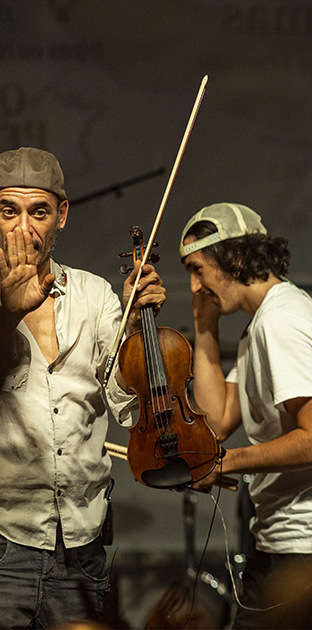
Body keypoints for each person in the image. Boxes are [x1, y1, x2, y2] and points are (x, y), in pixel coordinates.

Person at [178, 202, 312, 629]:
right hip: (291, 543)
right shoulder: (263, 322)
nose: (193, 286)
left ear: (238, 258)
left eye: (197, 269)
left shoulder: (280, 322)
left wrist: (225, 462)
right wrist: (204, 326)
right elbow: (216, 421)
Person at [0, 146, 165, 627]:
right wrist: (8, 311)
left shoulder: (94, 296)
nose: (23, 228)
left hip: (82, 542)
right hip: (6, 540)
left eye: (39, 212)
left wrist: (135, 330)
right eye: (8, 210)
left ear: (62, 216)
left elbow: (125, 405)